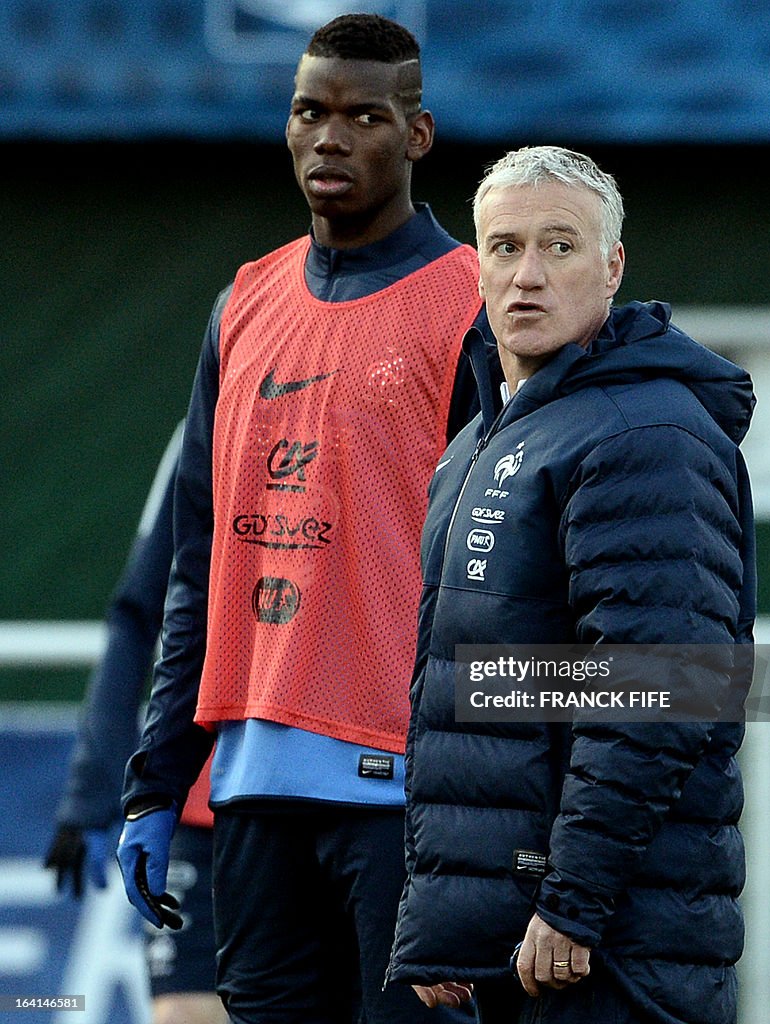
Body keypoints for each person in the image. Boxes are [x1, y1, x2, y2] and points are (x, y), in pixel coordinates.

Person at [116, 13, 490, 1024]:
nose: (331, 137)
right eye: (308, 111)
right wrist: (158, 782)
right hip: (252, 793)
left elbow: (511, 581)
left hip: (408, 799)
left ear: (416, 135)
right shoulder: (242, 302)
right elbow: (199, 562)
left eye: (364, 115)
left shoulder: (474, 307)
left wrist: (487, 826)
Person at [387, 146, 757, 1024]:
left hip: (610, 947)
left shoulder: (647, 431)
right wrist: (449, 924)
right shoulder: (476, 440)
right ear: (473, 265)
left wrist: (571, 900)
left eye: (559, 247)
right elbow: (455, 700)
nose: (527, 276)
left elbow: (662, 683)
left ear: (613, 266)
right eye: (504, 247)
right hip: (514, 944)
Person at [45, 421, 227, 1024]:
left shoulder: (464, 396)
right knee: (185, 1012)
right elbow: (137, 610)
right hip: (207, 788)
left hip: (369, 789)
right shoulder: (214, 415)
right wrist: (94, 790)